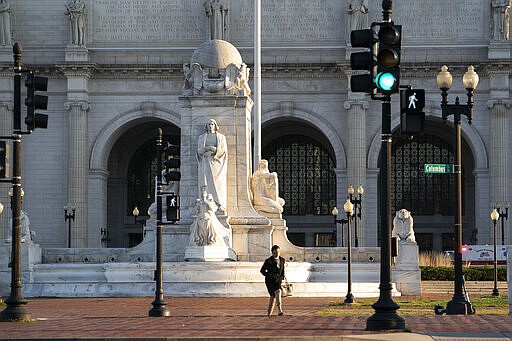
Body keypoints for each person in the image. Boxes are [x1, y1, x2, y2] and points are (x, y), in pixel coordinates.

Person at [197, 119, 228, 214]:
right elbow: (199, 151)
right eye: (208, 124)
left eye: (212, 124)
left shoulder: (221, 137)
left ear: (215, 125)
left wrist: (214, 151)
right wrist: (207, 148)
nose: (210, 126)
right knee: (205, 183)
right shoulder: (202, 137)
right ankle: (205, 204)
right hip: (205, 163)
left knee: (217, 184)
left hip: (217, 164)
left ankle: (219, 204)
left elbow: (223, 150)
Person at [260, 245, 285, 316]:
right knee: (276, 293)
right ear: (272, 253)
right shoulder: (268, 261)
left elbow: (282, 270)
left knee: (274, 295)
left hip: (278, 281)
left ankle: (269, 313)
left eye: (278, 252)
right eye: (275, 252)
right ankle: (279, 309)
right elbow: (262, 270)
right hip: (270, 281)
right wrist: (269, 275)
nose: (277, 254)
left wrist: (282, 277)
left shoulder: (282, 260)